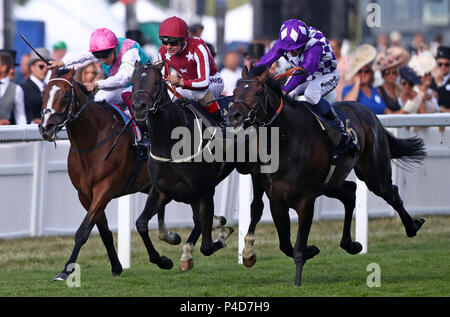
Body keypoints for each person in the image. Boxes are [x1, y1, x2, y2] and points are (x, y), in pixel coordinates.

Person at [252, 19, 357, 159]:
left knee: (311, 95)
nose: (291, 52)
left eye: (295, 48)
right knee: (291, 97)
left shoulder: (315, 45)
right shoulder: (284, 42)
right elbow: (266, 60)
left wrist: (286, 88)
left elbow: (304, 71)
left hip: (326, 75)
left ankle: (340, 131)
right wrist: (252, 75)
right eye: (288, 49)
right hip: (307, 76)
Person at [49, 28, 151, 111]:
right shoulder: (105, 49)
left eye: (106, 57)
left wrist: (96, 84)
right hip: (125, 86)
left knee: (126, 95)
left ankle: (141, 131)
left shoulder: (129, 51)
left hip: (144, 86)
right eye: (99, 57)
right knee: (98, 100)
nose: (103, 60)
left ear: (115, 49)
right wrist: (61, 63)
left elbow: (123, 78)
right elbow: (82, 56)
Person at [158, 16, 225, 126]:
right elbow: (163, 81)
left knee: (198, 92)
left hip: (212, 81)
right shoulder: (162, 51)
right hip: (188, 83)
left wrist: (180, 82)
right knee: (166, 96)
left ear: (184, 39)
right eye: (165, 42)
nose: (168, 47)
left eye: (174, 43)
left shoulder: (198, 47)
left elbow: (204, 83)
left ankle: (219, 121)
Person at [343, 44, 388, 115]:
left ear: (370, 74)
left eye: (366, 71)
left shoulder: (376, 90)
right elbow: (348, 105)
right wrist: (357, 83)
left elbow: (387, 112)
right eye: (360, 71)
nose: (363, 74)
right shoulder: (348, 89)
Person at [372, 47, 410, 113]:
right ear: (383, 75)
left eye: (394, 72)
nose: (391, 75)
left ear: (397, 74)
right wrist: (402, 112)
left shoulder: (399, 89)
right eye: (387, 73)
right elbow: (386, 112)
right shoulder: (378, 91)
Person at [21, 48, 54, 124]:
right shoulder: (23, 88)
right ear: (32, 67)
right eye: (41, 66)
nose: (45, 69)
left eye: (48, 66)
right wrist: (32, 121)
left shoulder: (51, 88)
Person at [0, 51, 26, 125]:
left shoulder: (17, 89)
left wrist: (23, 134)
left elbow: (20, 115)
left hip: (6, 134)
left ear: (4, 68)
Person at [430, 46, 450, 111]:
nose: (443, 67)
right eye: (440, 64)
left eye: (446, 64)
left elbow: (447, 103)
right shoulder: (430, 79)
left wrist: (440, 84)